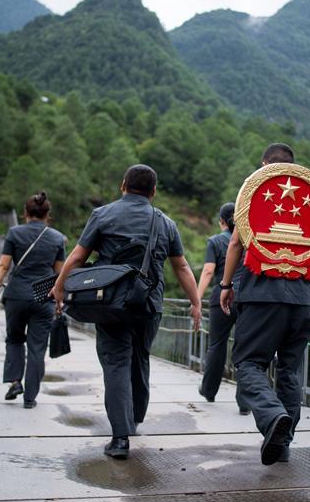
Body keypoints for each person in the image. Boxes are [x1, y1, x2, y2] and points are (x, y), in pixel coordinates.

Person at [51, 164, 202, 459]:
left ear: (123, 185)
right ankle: (135, 418)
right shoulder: (165, 223)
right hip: (148, 305)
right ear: (153, 192)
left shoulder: (103, 215)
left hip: (109, 303)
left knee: (116, 363)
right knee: (140, 357)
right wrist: (195, 303)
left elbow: (78, 256)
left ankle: (120, 438)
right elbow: (182, 266)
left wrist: (59, 287)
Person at [219, 143, 310, 465]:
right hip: (303, 298)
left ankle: (273, 417)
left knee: (248, 363)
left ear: (264, 164)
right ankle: (283, 442)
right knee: (290, 370)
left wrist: (226, 284)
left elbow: (235, 242)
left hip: (261, 294)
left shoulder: (255, 188)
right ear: (293, 165)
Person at [0, 192, 66, 409]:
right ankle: (30, 398)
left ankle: (15, 381)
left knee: (15, 339)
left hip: (16, 296)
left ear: (25, 213)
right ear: (48, 215)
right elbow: (59, 274)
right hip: (43, 297)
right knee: (37, 348)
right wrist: (59, 300)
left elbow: (3, 266)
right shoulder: (57, 238)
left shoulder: (14, 233)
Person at [196, 202, 249, 415]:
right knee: (246, 347)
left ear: (222, 222)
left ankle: (209, 390)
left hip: (221, 298)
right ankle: (245, 402)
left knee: (217, 344)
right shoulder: (248, 240)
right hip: (247, 298)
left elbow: (208, 271)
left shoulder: (216, 241)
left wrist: (196, 299)